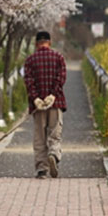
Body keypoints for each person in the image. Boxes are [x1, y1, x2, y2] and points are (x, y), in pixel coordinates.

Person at [22, 30, 67, 179]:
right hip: (55, 103)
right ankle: (53, 154)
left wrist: (36, 98)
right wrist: (53, 95)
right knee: (54, 133)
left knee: (39, 137)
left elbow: (29, 82)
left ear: (36, 44)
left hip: (38, 106)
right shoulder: (58, 57)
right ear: (50, 42)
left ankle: (42, 169)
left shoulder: (30, 60)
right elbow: (61, 78)